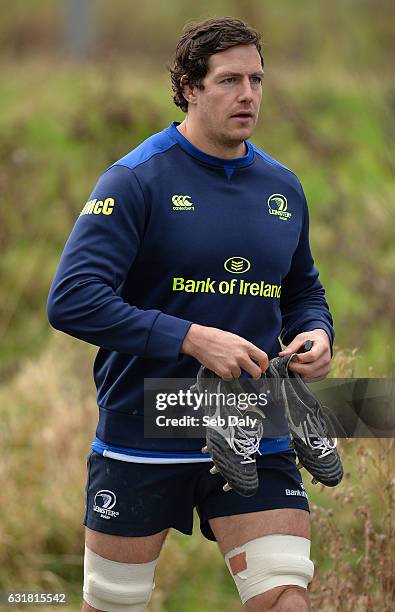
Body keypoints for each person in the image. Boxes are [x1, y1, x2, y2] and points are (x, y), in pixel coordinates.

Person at [47, 16, 334, 612]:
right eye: (229, 80)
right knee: (113, 604)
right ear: (188, 86)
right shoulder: (134, 181)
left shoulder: (282, 186)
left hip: (252, 422)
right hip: (145, 425)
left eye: (257, 79)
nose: (248, 95)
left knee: (286, 599)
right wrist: (191, 338)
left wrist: (315, 330)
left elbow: (303, 289)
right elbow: (72, 297)